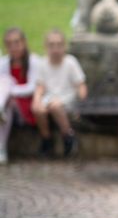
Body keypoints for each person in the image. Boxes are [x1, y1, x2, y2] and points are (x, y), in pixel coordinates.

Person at [31, 30, 87, 157]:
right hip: (50, 98)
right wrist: (36, 101)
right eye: (51, 45)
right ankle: (46, 138)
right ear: (46, 47)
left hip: (68, 98)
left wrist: (82, 103)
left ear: (64, 46)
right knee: (38, 109)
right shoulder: (42, 63)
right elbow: (40, 86)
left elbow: (80, 85)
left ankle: (68, 136)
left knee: (55, 106)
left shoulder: (70, 62)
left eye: (59, 45)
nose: (55, 49)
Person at [0, 29, 41, 164]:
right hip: (10, 106)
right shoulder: (4, 63)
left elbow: (31, 88)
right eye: (9, 44)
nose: (13, 47)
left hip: (27, 107)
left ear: (24, 43)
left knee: (6, 82)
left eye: (16, 43)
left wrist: (10, 91)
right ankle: (1, 149)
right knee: (7, 106)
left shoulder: (33, 61)